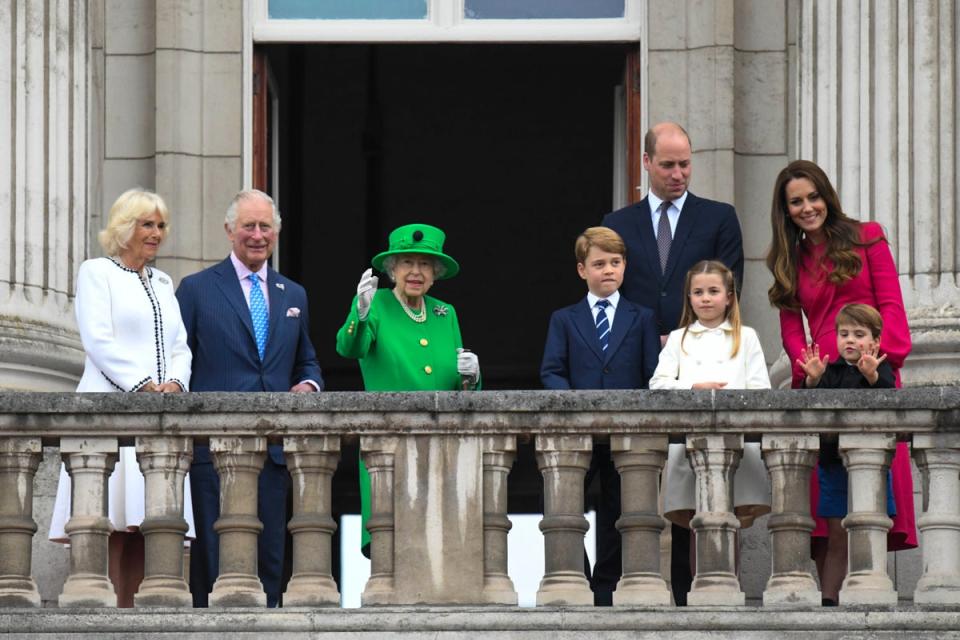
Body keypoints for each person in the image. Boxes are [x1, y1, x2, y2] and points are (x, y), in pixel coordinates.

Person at [602, 121, 744, 603]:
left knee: (693, 468)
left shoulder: (718, 217)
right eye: (668, 165)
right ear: (646, 163)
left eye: (685, 163)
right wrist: (651, 340)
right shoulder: (618, 224)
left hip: (698, 359)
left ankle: (689, 586)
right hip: (630, 363)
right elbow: (610, 292)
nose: (679, 173)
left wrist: (682, 337)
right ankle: (613, 586)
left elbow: (730, 285)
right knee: (623, 472)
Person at [766, 160, 916, 597]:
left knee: (870, 495)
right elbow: (792, 330)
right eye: (797, 202)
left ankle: (864, 593)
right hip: (821, 384)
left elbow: (890, 304)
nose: (808, 207)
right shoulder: (788, 259)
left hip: (870, 375)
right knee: (825, 505)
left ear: (826, 196)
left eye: (813, 197)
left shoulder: (866, 235)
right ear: (786, 210)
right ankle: (832, 596)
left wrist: (879, 360)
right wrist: (807, 372)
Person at [176, 189, 323, 608]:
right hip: (212, 451)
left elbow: (306, 362)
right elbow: (176, 361)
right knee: (215, 558)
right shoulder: (197, 289)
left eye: (265, 227)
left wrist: (308, 386)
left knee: (271, 558)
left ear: (276, 232)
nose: (257, 235)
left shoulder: (293, 295)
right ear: (229, 231)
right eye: (249, 226)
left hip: (275, 451)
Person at [49, 188, 194, 607]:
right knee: (109, 522)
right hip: (111, 411)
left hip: (159, 417)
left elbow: (180, 345)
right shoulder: (98, 272)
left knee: (148, 526)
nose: (156, 233)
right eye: (147, 224)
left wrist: (175, 384)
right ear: (126, 228)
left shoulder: (164, 282)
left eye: (161, 225)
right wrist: (144, 383)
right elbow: (97, 340)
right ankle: (104, 618)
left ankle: (138, 620)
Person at [336, 223, 480, 553]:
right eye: (407, 263)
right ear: (392, 269)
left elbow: (462, 387)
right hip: (389, 445)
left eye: (425, 264)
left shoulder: (446, 314)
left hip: (441, 445)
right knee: (393, 541)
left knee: (443, 545)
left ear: (436, 272)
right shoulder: (377, 304)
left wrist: (473, 376)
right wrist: (359, 314)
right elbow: (350, 348)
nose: (416, 272)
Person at [539, 226, 659, 605]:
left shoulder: (642, 317)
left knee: (619, 509)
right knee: (565, 507)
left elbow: (651, 373)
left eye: (616, 263)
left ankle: (607, 586)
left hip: (627, 433)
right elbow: (551, 370)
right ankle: (581, 577)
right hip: (577, 432)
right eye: (599, 263)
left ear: (625, 267)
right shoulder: (564, 318)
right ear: (582, 270)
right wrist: (574, 407)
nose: (608, 270)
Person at [649, 260, 771, 585]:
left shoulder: (746, 337)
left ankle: (729, 585)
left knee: (729, 518)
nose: (705, 299)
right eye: (698, 292)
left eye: (713, 291)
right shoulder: (679, 338)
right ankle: (699, 587)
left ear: (729, 296)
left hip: (737, 443)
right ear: (688, 298)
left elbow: (761, 389)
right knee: (695, 522)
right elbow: (658, 385)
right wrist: (693, 389)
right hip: (690, 443)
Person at [798, 303, 897, 606]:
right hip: (834, 465)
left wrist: (872, 378)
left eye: (859, 334)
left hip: (873, 466)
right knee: (837, 536)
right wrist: (812, 382)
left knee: (871, 530)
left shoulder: (882, 369)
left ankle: (869, 592)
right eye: (844, 334)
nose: (850, 340)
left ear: (875, 342)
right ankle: (829, 600)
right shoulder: (830, 372)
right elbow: (809, 411)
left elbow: (890, 400)